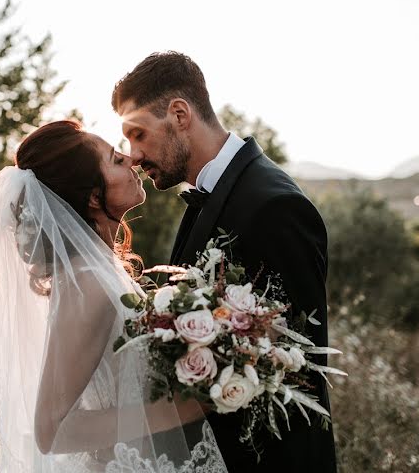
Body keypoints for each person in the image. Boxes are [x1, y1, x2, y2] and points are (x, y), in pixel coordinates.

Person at [112, 52, 338, 471]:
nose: (134, 155)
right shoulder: (209, 192)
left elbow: (299, 367)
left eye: (138, 135)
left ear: (179, 114)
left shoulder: (276, 205)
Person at [0, 120, 227, 472]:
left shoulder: (98, 271)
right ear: (94, 197)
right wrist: (185, 408)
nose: (132, 160)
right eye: (115, 160)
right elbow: (52, 430)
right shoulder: (88, 284)